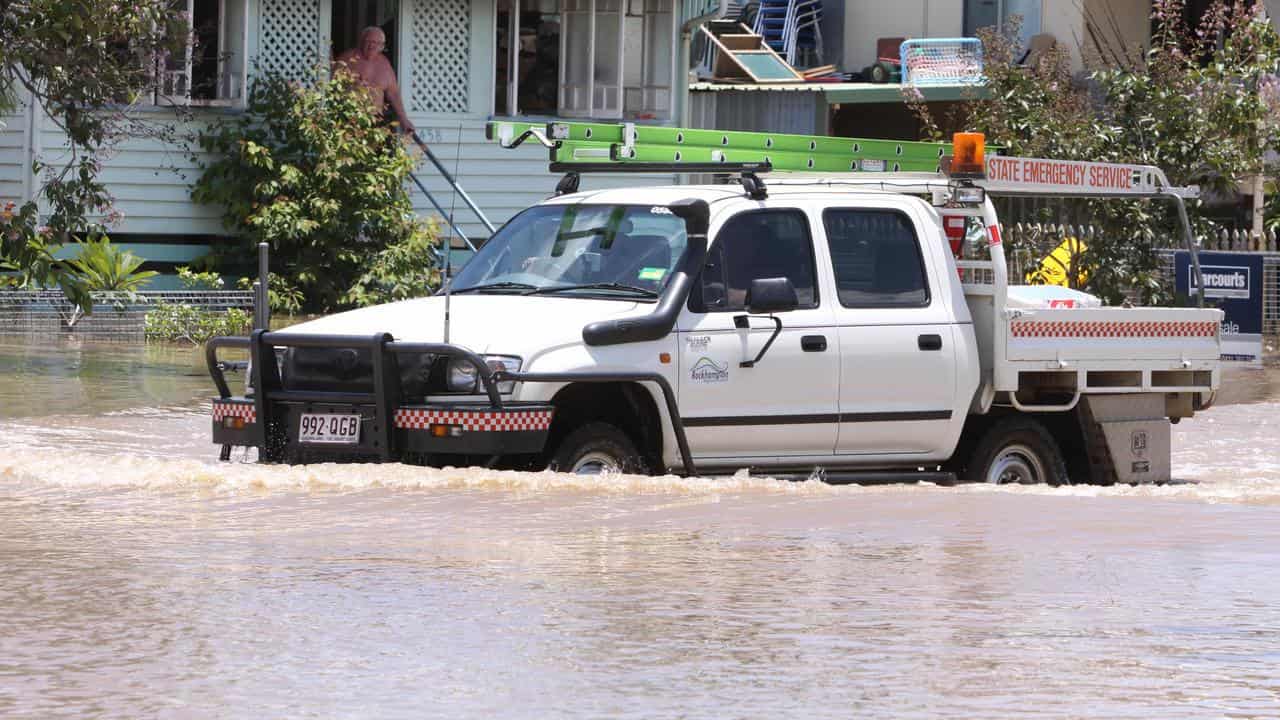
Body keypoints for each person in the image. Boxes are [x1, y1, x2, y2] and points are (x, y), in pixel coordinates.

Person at [334, 27, 416, 137]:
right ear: (361, 41)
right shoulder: (346, 60)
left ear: (382, 46)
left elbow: (393, 94)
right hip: (349, 122)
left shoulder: (385, 65)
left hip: (375, 124)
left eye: (377, 43)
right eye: (369, 41)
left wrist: (404, 119)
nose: (372, 46)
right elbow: (331, 88)